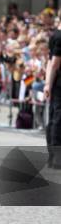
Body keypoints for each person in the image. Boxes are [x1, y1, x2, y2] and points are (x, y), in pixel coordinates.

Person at [44, 25, 61, 168]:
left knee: (55, 118)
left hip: (56, 84)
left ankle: (53, 157)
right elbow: (54, 63)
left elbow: (50, 62)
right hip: (59, 84)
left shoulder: (55, 35)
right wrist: (48, 84)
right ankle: (56, 158)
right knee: (58, 119)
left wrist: (47, 84)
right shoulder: (59, 36)